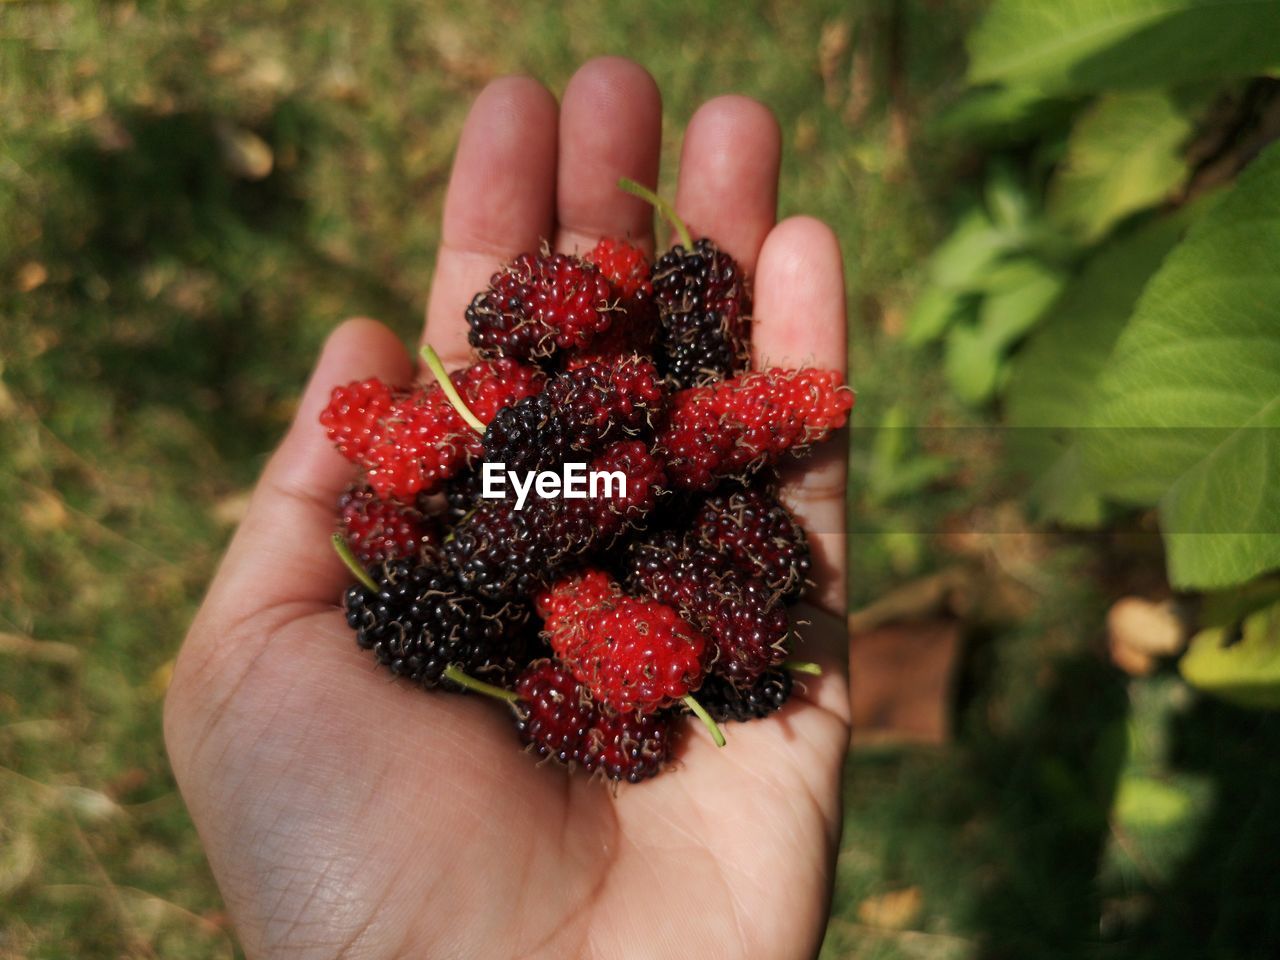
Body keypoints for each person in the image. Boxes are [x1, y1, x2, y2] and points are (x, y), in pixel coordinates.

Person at [165, 57, 851, 960]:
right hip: (558, 506)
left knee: (614, 489)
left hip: (613, 482)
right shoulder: (519, 515)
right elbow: (542, 506)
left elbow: (590, 497)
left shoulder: (614, 486)